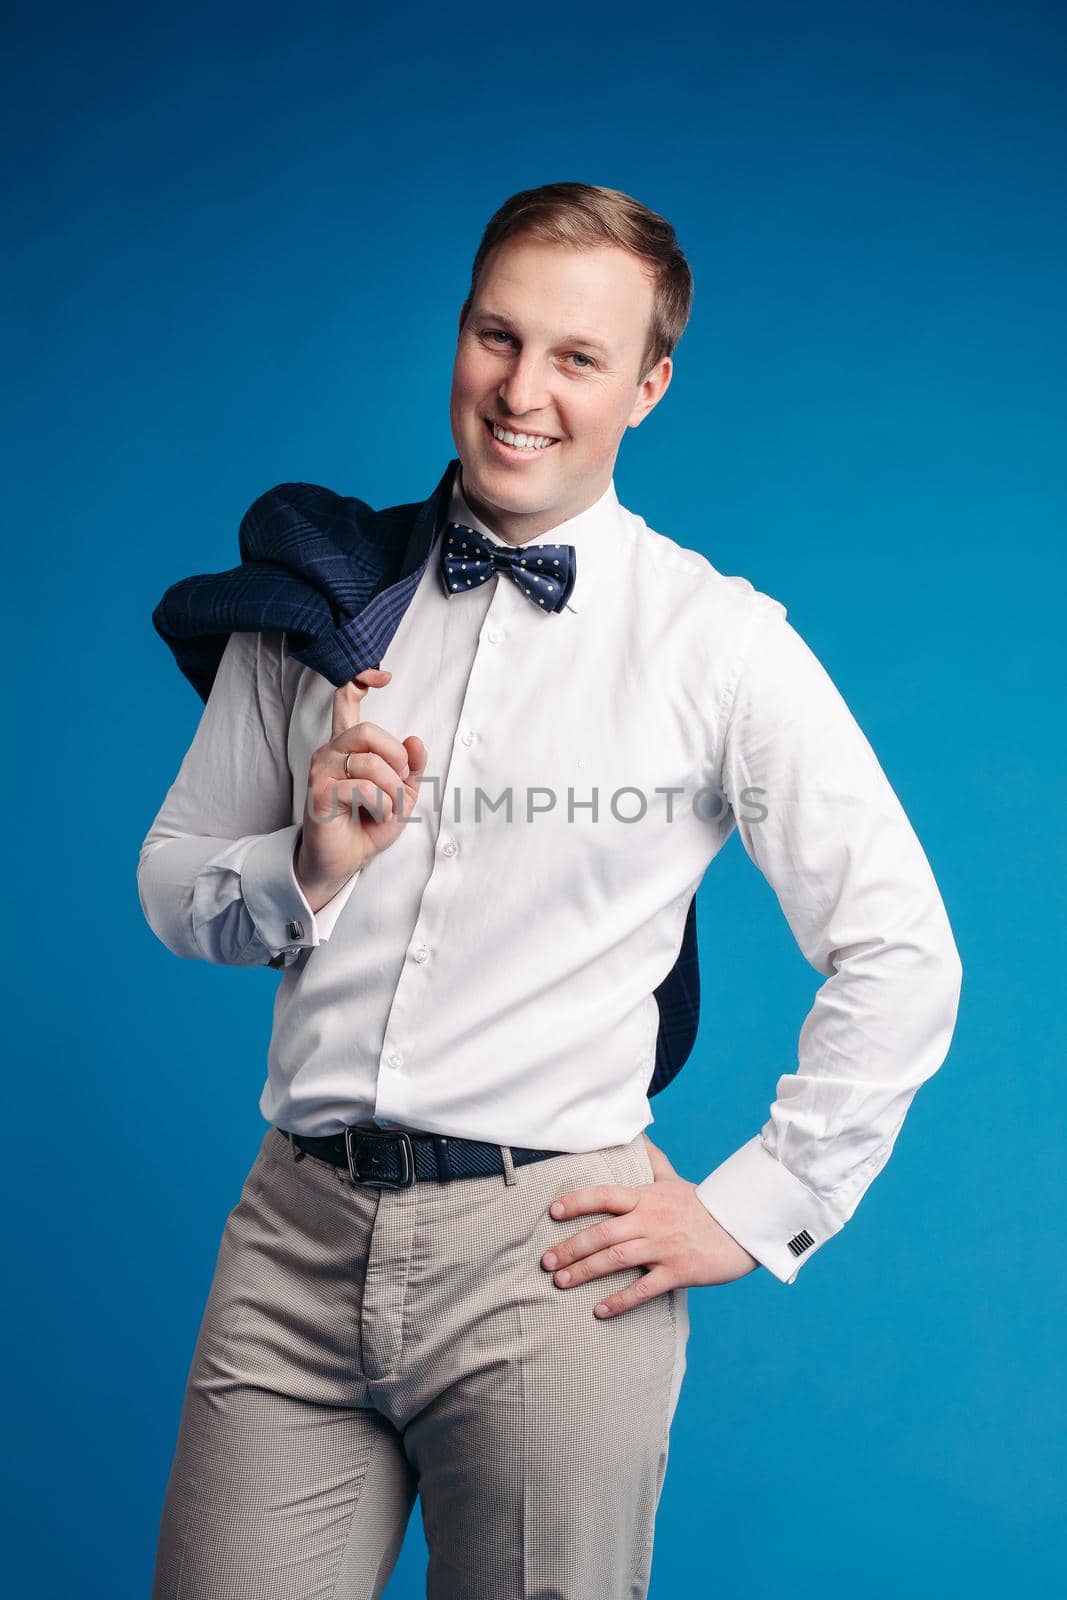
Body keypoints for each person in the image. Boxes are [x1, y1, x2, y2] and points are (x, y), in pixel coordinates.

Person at [139, 181, 963, 1600]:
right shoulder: (323, 599)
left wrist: (760, 1205)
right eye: (496, 337)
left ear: (647, 384)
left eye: (579, 358)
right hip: (293, 1238)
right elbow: (174, 885)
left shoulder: (718, 642)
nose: (524, 392)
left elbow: (901, 949)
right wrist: (308, 865)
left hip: (552, 1266)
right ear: (458, 338)